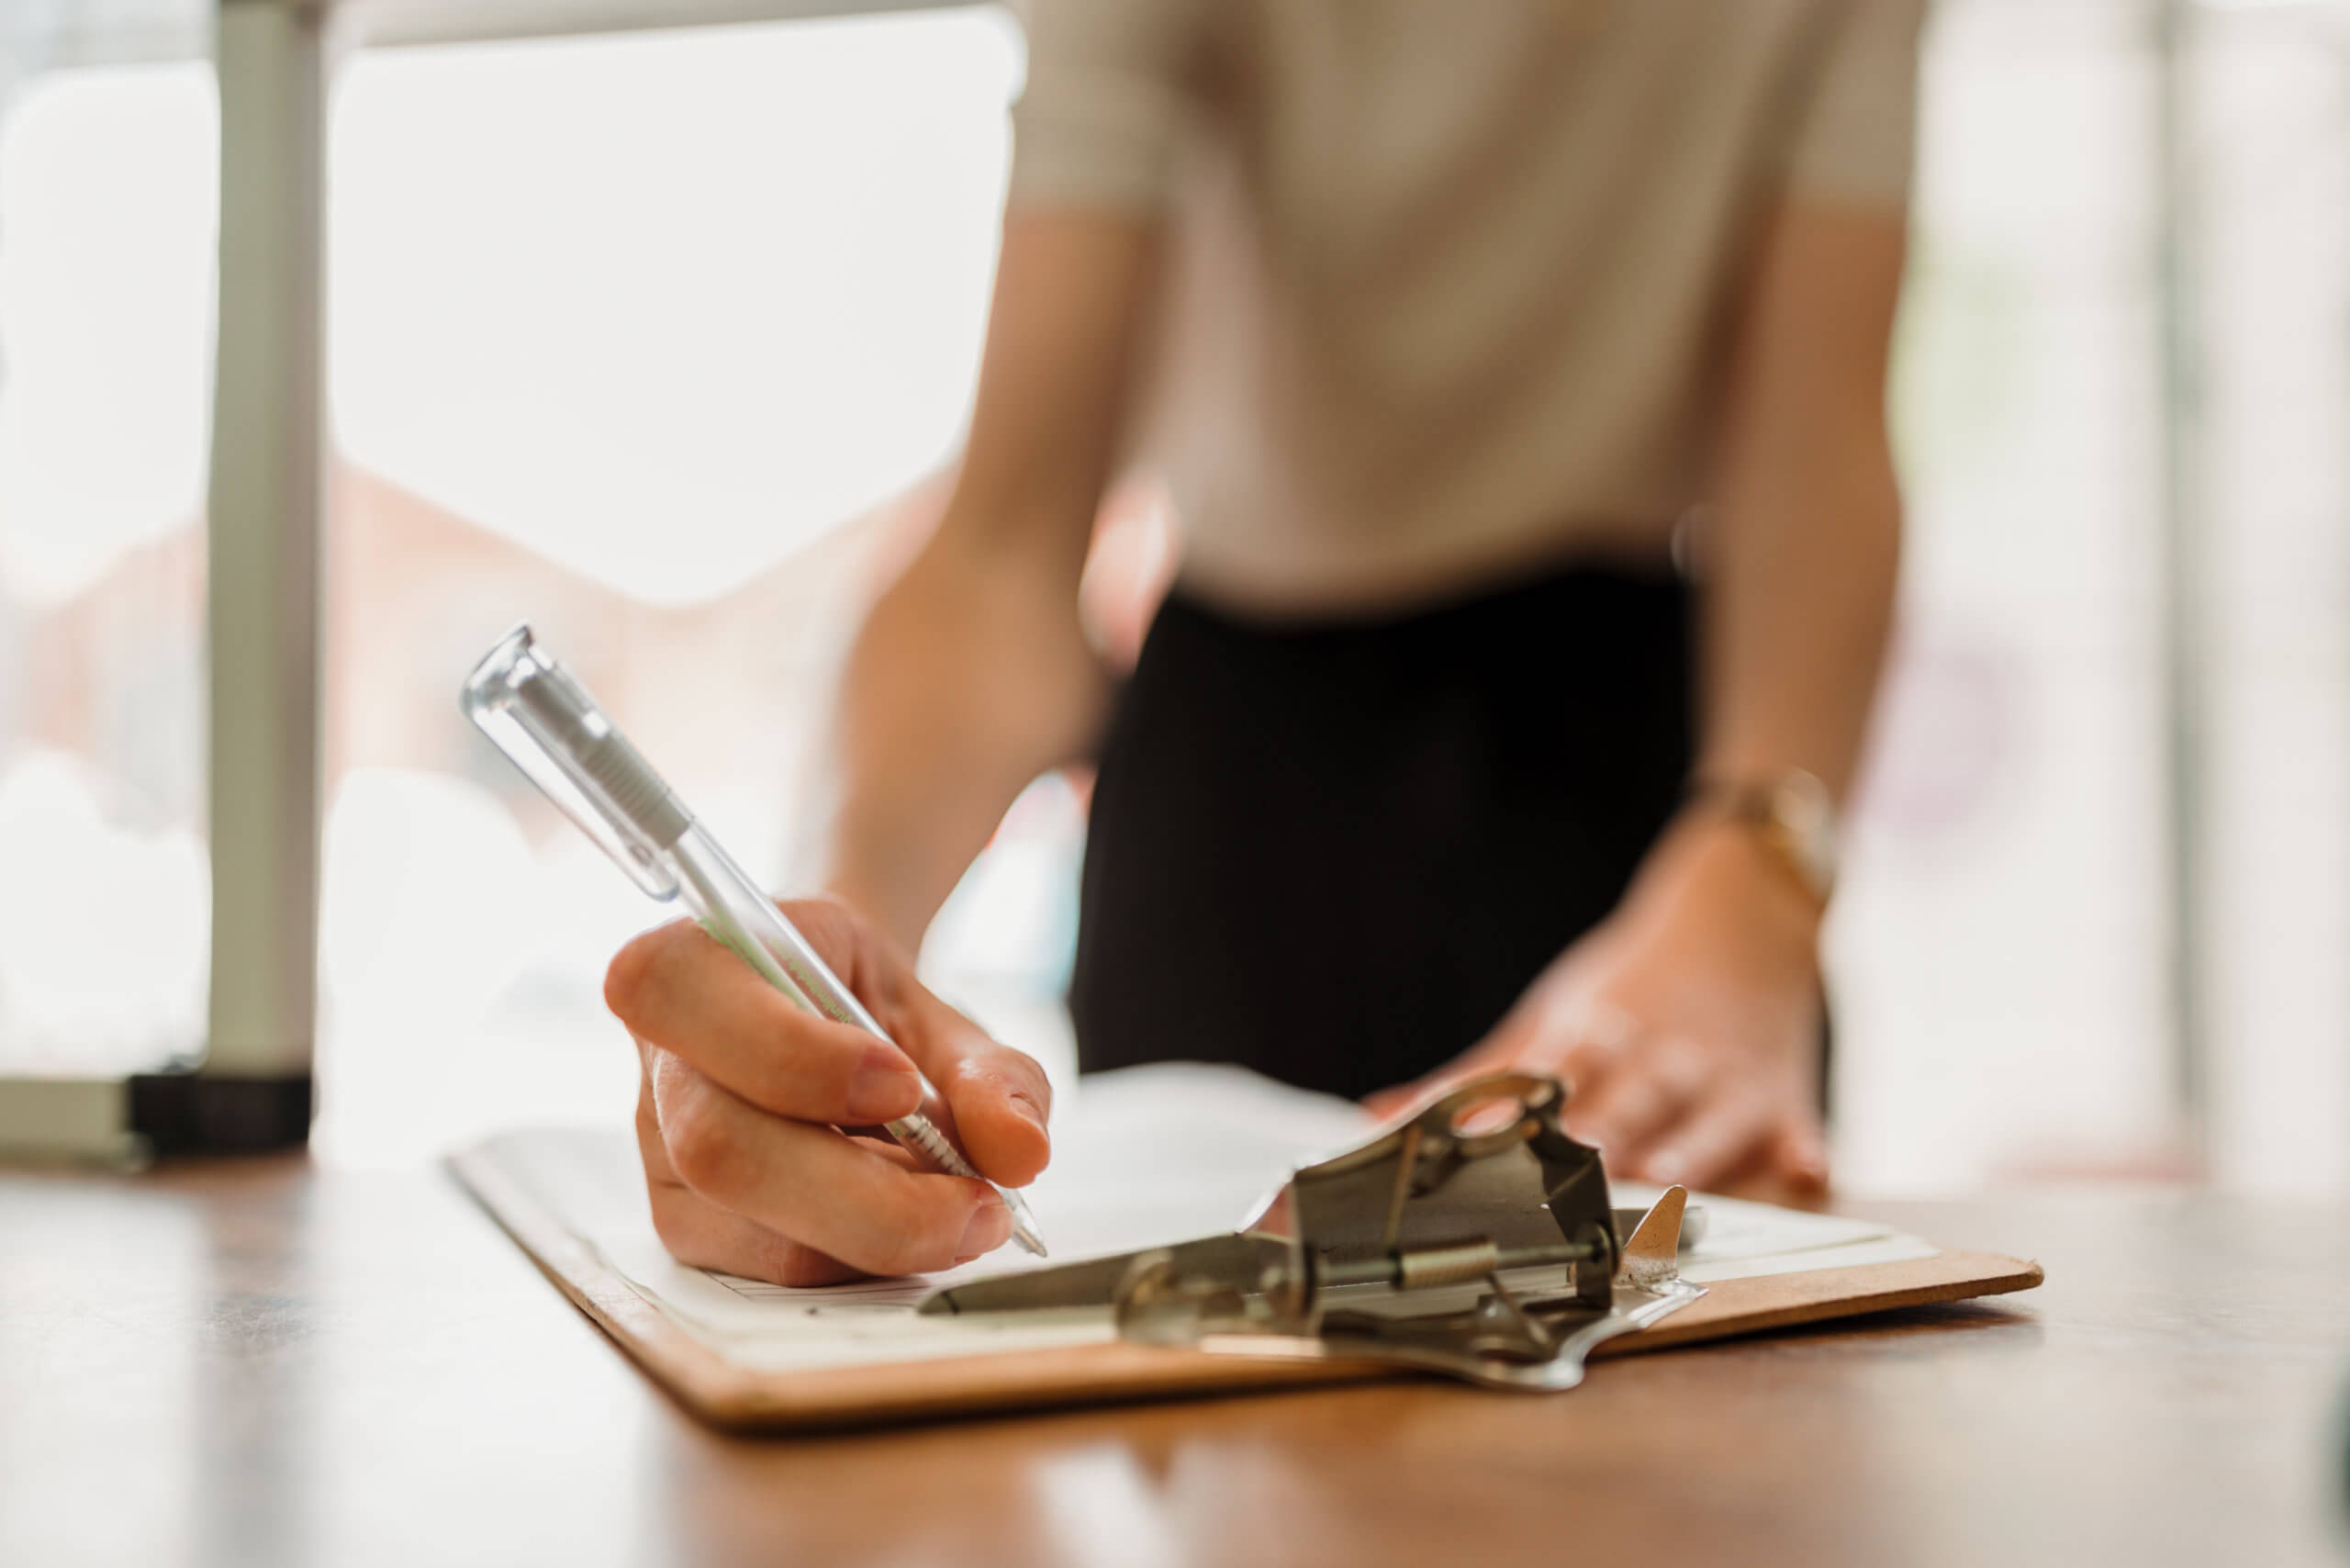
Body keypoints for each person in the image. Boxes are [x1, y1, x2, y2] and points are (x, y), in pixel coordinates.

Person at [605, 0, 1925, 1285]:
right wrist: (827, 985)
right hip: (1242, 777)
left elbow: (1818, 440)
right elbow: (1006, 550)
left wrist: (1761, 871)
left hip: (1657, 788)